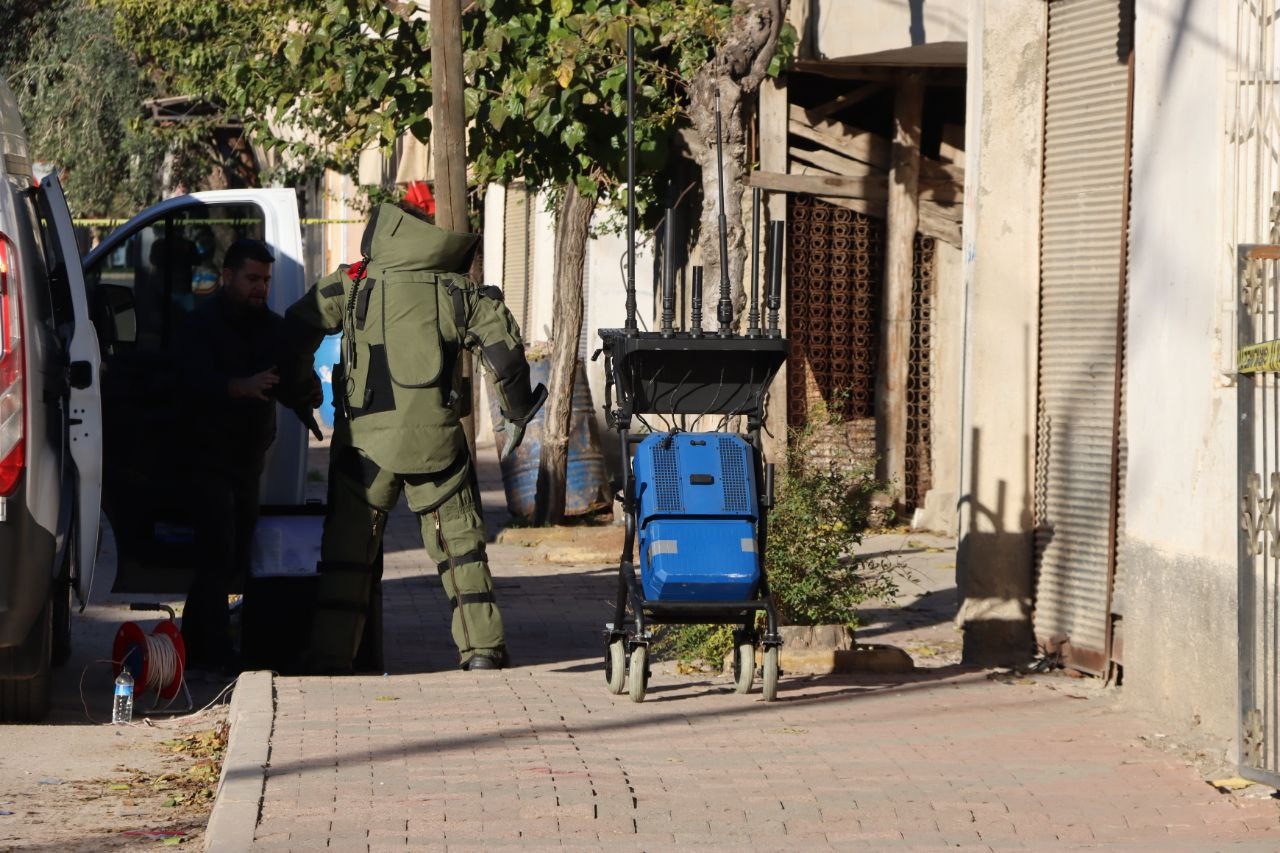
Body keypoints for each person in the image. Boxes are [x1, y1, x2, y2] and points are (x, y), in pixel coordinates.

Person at [284, 202, 545, 673]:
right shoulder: (454, 289)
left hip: (364, 447)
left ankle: (330, 658)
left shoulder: (350, 281)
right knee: (461, 547)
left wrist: (300, 393)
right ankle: (482, 649)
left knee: (348, 554)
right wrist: (517, 413)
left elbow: (295, 326)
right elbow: (505, 351)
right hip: (438, 444)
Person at [174, 238, 320, 674]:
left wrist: (306, 392)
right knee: (218, 552)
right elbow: (190, 380)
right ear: (228, 277)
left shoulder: (272, 328)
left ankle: (193, 643)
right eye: (252, 279)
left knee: (235, 555)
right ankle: (216, 653)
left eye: (266, 280)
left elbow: (287, 380)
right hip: (205, 456)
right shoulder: (200, 325)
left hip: (248, 459)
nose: (260, 288)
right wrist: (240, 386)